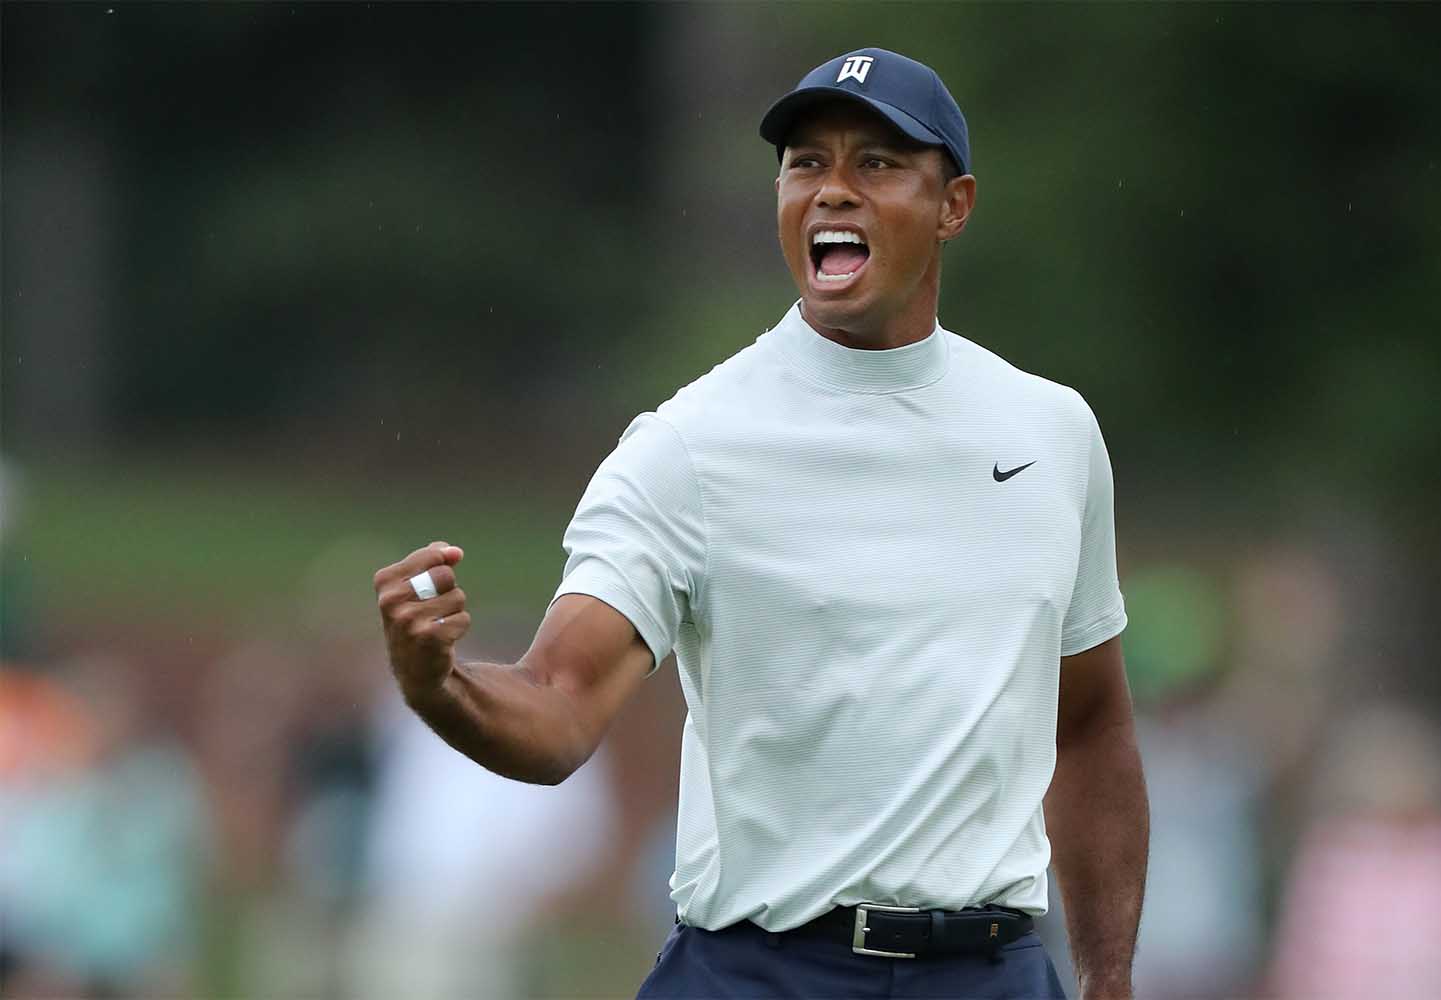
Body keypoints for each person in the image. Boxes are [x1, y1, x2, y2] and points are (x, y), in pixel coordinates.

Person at [373, 47, 1148, 1000]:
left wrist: (1107, 980)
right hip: (762, 974)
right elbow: (559, 706)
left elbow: (1092, 723)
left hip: (991, 974)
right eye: (807, 164)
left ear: (955, 206)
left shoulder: (1052, 433)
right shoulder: (691, 447)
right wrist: (438, 687)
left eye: (877, 164)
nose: (833, 192)